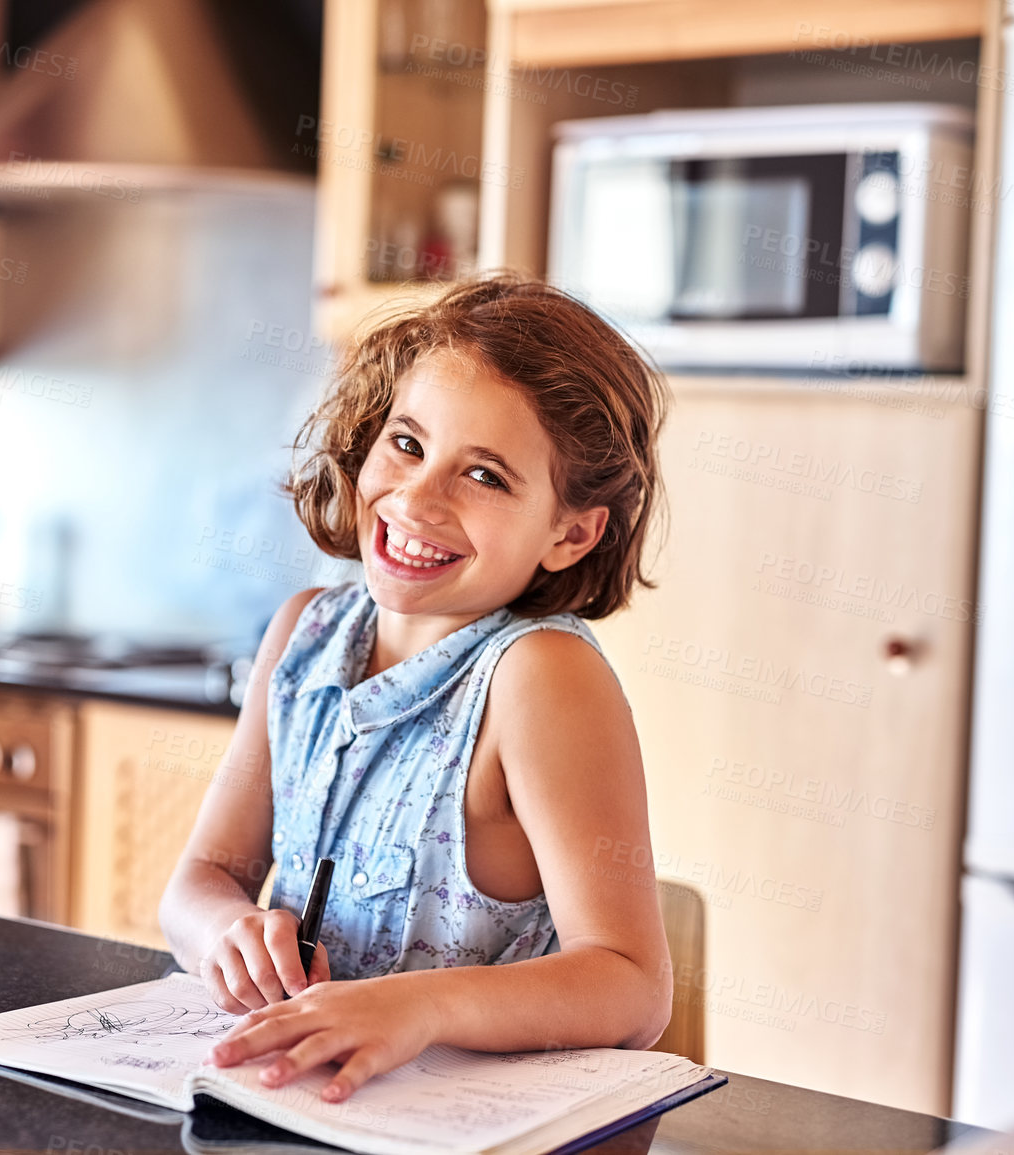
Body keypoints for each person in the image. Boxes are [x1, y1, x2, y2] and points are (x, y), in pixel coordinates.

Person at [159, 274, 674, 1102]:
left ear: (569, 533)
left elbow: (632, 988)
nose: (417, 497)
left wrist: (421, 1007)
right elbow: (200, 879)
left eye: (485, 476)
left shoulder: (536, 675)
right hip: (303, 1105)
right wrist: (228, 931)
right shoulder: (302, 634)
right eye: (406, 443)